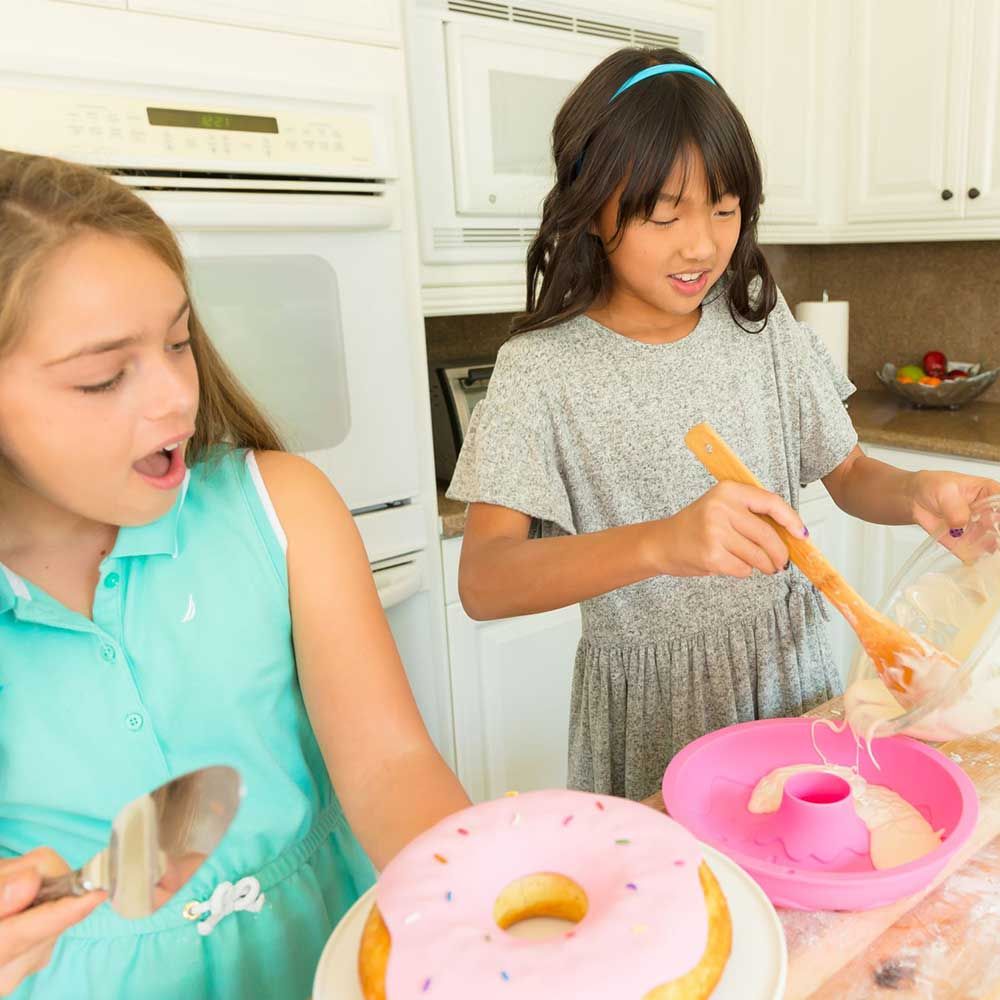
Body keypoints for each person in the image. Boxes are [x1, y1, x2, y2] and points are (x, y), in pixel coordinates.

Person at [448, 47, 1000, 801]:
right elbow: (485, 580)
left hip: (790, 677)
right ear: (592, 206)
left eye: (724, 208)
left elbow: (846, 472)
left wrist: (913, 492)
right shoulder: (542, 372)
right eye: (664, 214)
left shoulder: (756, 323)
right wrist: (662, 543)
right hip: (651, 717)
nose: (702, 244)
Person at [0, 149, 469, 999]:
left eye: (179, 342)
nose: (177, 397)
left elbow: (392, 765)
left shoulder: (282, 506)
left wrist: (476, 921)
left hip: (327, 954)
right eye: (104, 377)